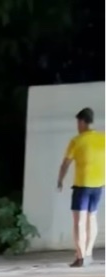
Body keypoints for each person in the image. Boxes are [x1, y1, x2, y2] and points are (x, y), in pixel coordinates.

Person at [57, 106, 105, 268]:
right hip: (99, 185)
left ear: (83, 122)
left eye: (78, 122)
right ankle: (89, 253)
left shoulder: (76, 141)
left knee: (79, 222)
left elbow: (65, 164)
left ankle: (80, 256)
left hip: (82, 186)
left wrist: (60, 180)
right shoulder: (102, 138)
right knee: (92, 218)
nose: (77, 126)